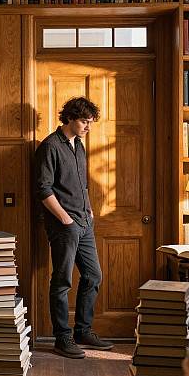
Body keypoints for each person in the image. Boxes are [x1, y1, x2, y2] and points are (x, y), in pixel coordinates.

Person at [35, 97, 114, 359]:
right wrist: (65, 219)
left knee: (93, 276)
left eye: (91, 122)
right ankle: (62, 338)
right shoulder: (49, 146)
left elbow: (84, 185)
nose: (88, 127)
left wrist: (89, 209)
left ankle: (83, 331)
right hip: (63, 225)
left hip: (84, 222)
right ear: (68, 118)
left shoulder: (79, 146)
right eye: (84, 121)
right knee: (62, 281)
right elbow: (44, 189)